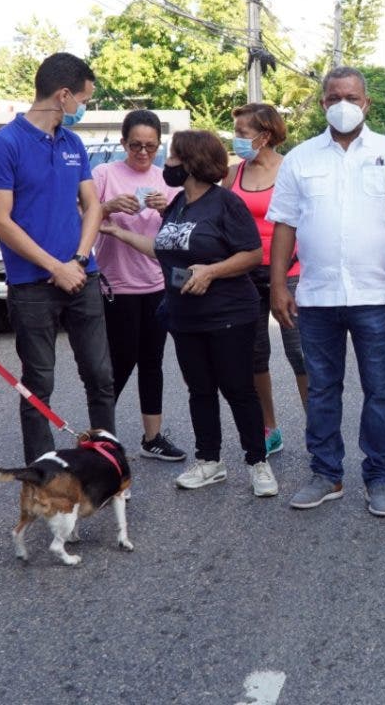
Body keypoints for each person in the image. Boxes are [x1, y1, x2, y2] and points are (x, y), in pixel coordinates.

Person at [267, 66, 385, 518]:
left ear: (366, 103)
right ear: (322, 104)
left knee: (380, 391)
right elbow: (284, 224)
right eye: (334, 97)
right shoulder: (300, 159)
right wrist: (278, 285)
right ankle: (326, 473)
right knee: (321, 390)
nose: (343, 105)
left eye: (352, 97)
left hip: (376, 297)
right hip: (317, 296)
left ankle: (379, 476)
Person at [101, 130, 277, 497]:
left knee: (238, 389)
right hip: (184, 316)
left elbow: (252, 254)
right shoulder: (178, 202)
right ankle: (209, 461)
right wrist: (118, 233)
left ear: (192, 162)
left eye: (173, 157)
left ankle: (257, 462)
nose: (167, 164)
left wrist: (211, 271)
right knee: (200, 390)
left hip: (229, 313)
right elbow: (164, 248)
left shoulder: (225, 203)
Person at [0, 52, 115, 464]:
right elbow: (0, 221)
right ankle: (41, 477)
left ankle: (106, 464)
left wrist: (78, 259)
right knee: (38, 384)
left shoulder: (73, 143)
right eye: (84, 100)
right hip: (32, 286)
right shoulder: (4, 144)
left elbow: (93, 206)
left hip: (82, 277)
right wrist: (55, 266)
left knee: (100, 375)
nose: (83, 108)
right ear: (63, 95)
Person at [92, 109, 185, 462]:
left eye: (150, 146)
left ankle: (152, 437)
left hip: (156, 283)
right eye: (135, 146)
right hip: (116, 285)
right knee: (119, 362)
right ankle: (100, 438)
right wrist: (108, 206)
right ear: (123, 143)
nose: (143, 152)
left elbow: (180, 232)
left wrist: (165, 210)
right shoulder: (104, 173)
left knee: (152, 361)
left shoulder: (165, 180)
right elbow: (80, 217)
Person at [223, 103, 308, 456]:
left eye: (242, 133)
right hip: (246, 275)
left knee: (300, 353)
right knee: (255, 356)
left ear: (265, 135)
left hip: (290, 272)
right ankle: (269, 428)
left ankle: (318, 430)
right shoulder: (232, 173)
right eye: (237, 132)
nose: (237, 139)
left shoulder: (292, 169)